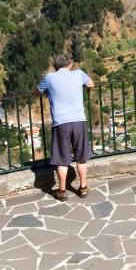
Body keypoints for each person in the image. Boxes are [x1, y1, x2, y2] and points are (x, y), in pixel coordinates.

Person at [38, 53, 95, 200]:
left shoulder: (49, 77)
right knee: (81, 158)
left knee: (62, 159)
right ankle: (83, 188)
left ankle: (62, 191)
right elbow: (91, 84)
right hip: (79, 120)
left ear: (55, 66)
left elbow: (37, 91)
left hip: (61, 122)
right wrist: (87, 89)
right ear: (70, 64)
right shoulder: (78, 74)